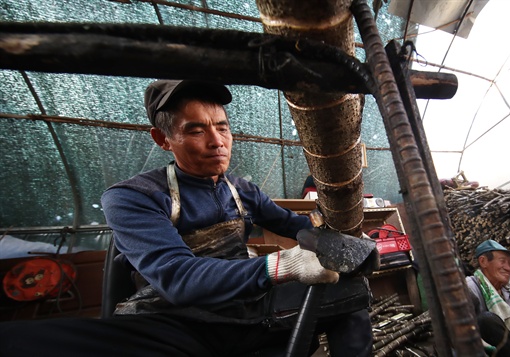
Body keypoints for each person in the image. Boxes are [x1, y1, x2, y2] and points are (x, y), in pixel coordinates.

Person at [0, 79, 374, 357]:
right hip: (175, 319)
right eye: (196, 130)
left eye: (222, 127)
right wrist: (280, 266)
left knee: (353, 294)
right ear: (163, 139)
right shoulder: (134, 197)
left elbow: (293, 226)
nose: (217, 141)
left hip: (244, 307)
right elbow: (176, 279)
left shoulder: (242, 190)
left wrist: (329, 240)